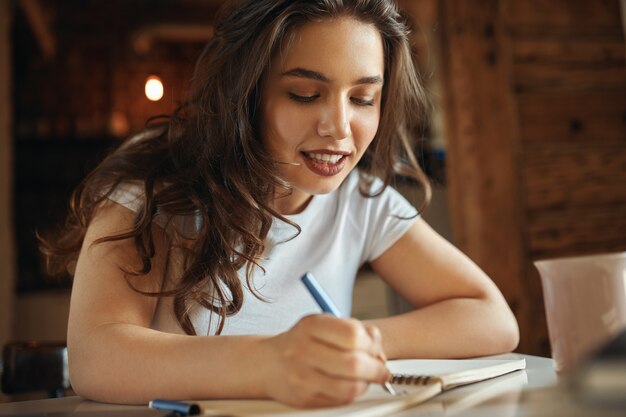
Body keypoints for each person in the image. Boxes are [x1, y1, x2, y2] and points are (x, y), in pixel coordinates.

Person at [41, 0, 519, 408]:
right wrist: (272, 359)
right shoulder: (150, 191)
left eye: (363, 98)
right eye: (304, 94)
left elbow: (492, 318)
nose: (339, 126)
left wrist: (349, 347)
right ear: (244, 95)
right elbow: (96, 356)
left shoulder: (361, 202)